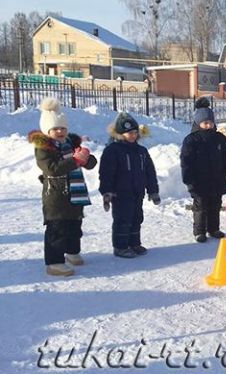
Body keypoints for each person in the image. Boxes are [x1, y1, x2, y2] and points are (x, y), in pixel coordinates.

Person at [29, 98, 97, 276]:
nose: (60, 131)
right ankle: (54, 262)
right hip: (56, 195)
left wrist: (87, 158)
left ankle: (72, 251)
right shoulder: (43, 148)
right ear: (47, 130)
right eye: (55, 128)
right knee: (57, 228)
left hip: (75, 192)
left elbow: (88, 163)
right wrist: (75, 160)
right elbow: (51, 169)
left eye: (63, 128)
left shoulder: (71, 144)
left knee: (75, 225)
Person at [99, 112, 160, 258]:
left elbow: (149, 172)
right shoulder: (112, 150)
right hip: (120, 193)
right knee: (123, 219)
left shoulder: (141, 151)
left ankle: (134, 243)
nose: (132, 135)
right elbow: (106, 173)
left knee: (136, 217)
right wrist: (107, 191)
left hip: (137, 191)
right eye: (128, 133)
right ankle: (120, 246)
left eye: (134, 132)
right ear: (120, 134)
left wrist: (153, 190)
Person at [181, 97, 226, 243]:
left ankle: (213, 228)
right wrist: (189, 181)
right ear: (198, 123)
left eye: (210, 122)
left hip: (217, 180)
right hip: (199, 181)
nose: (208, 125)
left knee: (215, 205)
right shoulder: (191, 140)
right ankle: (199, 231)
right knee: (200, 206)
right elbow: (186, 162)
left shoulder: (220, 139)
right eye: (205, 122)